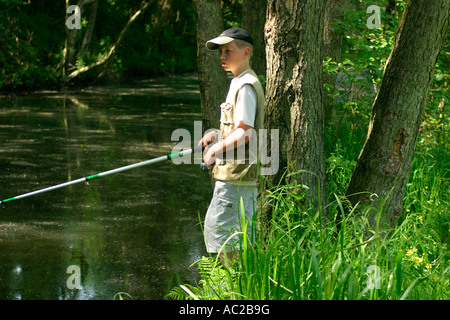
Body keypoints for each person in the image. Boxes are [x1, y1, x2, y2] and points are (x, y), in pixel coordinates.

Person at [198, 28, 265, 266]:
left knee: (223, 235)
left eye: (228, 50)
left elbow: (245, 133)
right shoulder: (238, 81)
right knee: (235, 236)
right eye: (220, 52)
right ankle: (241, 285)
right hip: (238, 177)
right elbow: (237, 127)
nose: (222, 56)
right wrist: (216, 136)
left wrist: (214, 151)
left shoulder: (246, 85)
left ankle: (233, 290)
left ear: (246, 52)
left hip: (236, 177)